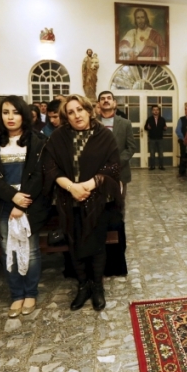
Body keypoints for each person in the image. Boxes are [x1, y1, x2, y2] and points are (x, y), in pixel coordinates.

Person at [44, 94, 121, 312]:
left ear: (89, 110)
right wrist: (72, 187)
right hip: (69, 200)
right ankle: (83, 286)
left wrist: (87, 185)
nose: (77, 115)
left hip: (97, 199)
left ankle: (97, 287)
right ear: (65, 116)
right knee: (74, 244)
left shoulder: (104, 136)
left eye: (80, 109)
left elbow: (113, 167)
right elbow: (50, 168)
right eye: (70, 112)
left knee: (97, 245)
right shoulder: (58, 137)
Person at [0, 96, 50, 318]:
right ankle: (16, 295)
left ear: (24, 115)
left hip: (30, 203)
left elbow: (39, 174)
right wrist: (12, 198)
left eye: (15, 112)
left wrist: (23, 201)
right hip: (3, 204)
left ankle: (31, 293)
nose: (10, 117)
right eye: (6, 112)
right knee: (7, 250)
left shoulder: (38, 140)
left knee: (31, 252)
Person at [97, 91, 136, 208]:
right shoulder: (92, 123)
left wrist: (116, 162)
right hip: (96, 172)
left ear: (114, 103)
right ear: (98, 104)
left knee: (118, 206)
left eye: (109, 98)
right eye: (103, 98)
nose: (106, 100)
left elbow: (131, 147)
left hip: (119, 171)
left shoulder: (125, 123)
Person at [143, 105, 167, 170]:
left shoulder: (162, 119)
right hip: (152, 138)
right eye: (154, 110)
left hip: (160, 138)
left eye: (157, 110)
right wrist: (147, 128)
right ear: (152, 111)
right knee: (152, 153)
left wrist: (165, 128)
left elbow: (164, 128)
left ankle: (161, 166)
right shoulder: (149, 119)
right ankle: (152, 166)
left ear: (159, 111)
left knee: (161, 153)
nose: (155, 111)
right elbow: (145, 127)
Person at [175, 104, 187, 177]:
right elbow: (178, 130)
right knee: (183, 155)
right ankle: (182, 172)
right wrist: (184, 139)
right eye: (185, 109)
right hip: (183, 141)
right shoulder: (181, 119)